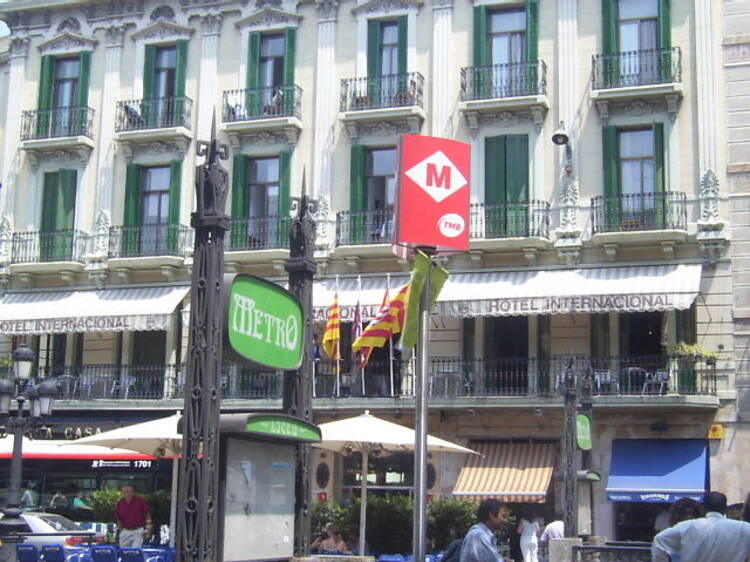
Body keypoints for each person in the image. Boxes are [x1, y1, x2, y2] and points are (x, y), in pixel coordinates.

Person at [651, 491, 750, 562]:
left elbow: (659, 541)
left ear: (703, 508)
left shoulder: (687, 527)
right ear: (725, 509)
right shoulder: (744, 529)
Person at [115, 484, 152, 548]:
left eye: (130, 491)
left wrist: (148, 528)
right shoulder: (120, 503)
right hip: (125, 531)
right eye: (126, 492)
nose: (128, 494)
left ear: (133, 492)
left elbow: (147, 514)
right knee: (124, 552)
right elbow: (118, 518)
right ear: (123, 493)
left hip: (138, 530)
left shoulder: (140, 501)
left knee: (135, 551)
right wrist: (121, 530)